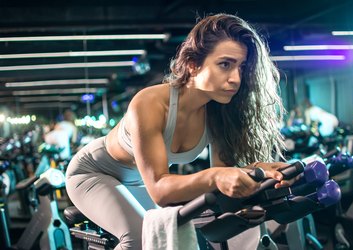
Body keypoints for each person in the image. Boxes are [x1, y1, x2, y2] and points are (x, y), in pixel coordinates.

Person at [66, 13, 291, 249]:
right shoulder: (151, 103)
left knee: (171, 234)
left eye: (241, 67)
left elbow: (223, 174)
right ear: (193, 65)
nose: (235, 78)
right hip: (94, 173)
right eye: (225, 64)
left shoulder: (218, 113)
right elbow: (161, 191)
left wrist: (260, 170)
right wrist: (215, 177)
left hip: (139, 181)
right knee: (138, 239)